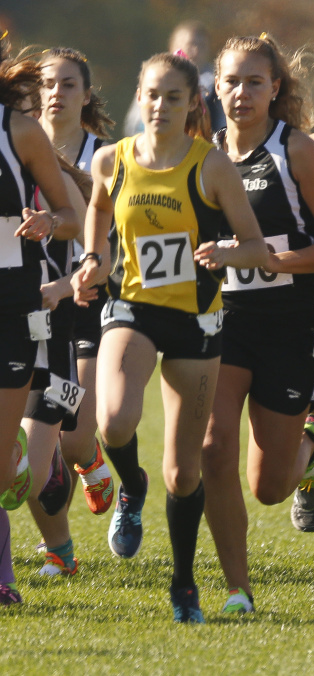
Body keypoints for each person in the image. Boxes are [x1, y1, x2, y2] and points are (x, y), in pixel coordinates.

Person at [71, 51, 267, 622]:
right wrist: (92, 258)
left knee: (184, 473)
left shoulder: (211, 167)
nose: (159, 107)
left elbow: (257, 248)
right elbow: (98, 212)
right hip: (132, 309)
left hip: (196, 322)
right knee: (112, 421)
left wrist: (229, 252)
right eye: (152, 95)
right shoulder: (113, 160)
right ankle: (130, 485)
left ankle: (184, 582)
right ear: (140, 96)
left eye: (173, 97)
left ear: (192, 106)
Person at [199, 34, 314, 615]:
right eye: (232, 82)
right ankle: (237, 587)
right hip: (226, 321)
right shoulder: (203, 154)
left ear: (275, 89)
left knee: (268, 488)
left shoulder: (295, 151)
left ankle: (310, 451)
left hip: (291, 323)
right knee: (213, 448)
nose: (241, 93)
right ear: (216, 87)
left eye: (254, 82)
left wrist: (274, 259)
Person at [23, 47, 117, 579]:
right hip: (23, 313)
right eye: (47, 84)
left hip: (88, 303)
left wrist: (68, 282)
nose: (55, 93)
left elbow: (98, 240)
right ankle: (59, 541)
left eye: (67, 84)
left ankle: (87, 462)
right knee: (36, 454)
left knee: (74, 435)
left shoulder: (103, 155)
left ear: (85, 94)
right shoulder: (16, 149)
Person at [0, 31, 81, 605]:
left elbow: (73, 214)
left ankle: (28, 463)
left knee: (3, 471)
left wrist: (49, 224)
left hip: (11, 306)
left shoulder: (17, 131)